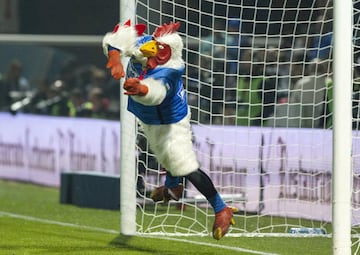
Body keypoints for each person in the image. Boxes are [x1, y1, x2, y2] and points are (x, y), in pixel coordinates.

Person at [102, 20, 238, 240]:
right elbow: (116, 38)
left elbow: (156, 92)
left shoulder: (171, 70)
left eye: (161, 49)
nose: (155, 49)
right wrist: (115, 58)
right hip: (148, 118)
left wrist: (141, 88)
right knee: (156, 152)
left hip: (171, 121)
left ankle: (221, 208)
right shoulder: (146, 44)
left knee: (185, 166)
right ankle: (172, 187)